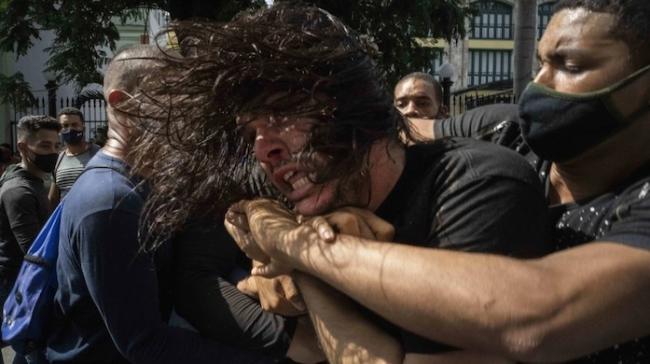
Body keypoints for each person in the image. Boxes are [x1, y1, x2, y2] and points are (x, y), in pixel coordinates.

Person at [229, 0, 650, 362]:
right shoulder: (503, 130)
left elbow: (534, 312)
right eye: (541, 62)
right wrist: (260, 207)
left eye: (570, 65)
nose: (538, 86)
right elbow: (380, 136)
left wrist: (296, 247)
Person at [146, 4, 550, 363]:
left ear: (348, 102)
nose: (263, 149)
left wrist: (299, 254)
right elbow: (232, 216)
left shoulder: (476, 188)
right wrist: (272, 228)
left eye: (282, 113)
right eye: (251, 131)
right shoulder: (298, 181)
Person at [45, 45, 271, 364]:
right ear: (124, 105)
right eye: (176, 102)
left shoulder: (146, 182)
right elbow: (145, 344)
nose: (191, 119)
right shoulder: (110, 203)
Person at [0, 116, 59, 364]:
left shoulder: (34, 182)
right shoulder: (19, 191)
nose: (54, 153)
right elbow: (34, 252)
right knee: (32, 349)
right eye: (45, 146)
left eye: (56, 146)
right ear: (23, 147)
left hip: (25, 283)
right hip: (21, 286)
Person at [48, 107, 99, 206]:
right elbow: (53, 198)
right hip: (66, 219)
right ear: (60, 130)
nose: (70, 129)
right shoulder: (58, 159)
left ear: (83, 127)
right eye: (65, 125)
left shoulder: (98, 154)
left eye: (75, 125)